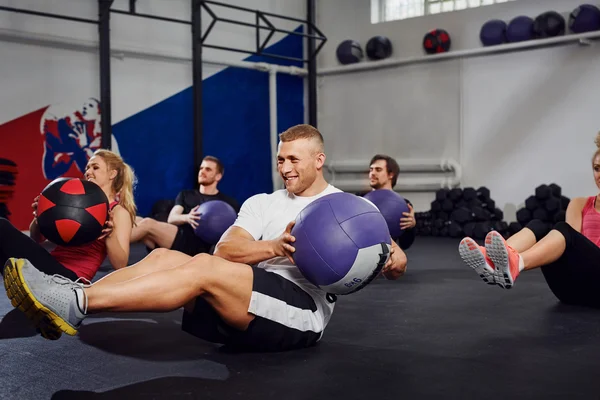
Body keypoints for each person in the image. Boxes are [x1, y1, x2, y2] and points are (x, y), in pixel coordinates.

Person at [3, 124, 408, 352]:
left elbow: (391, 260)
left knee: (201, 268)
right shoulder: (262, 202)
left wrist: (394, 261)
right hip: (242, 297)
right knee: (167, 259)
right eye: (280, 158)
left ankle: (75, 303)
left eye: (294, 159)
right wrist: (274, 246)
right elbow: (226, 249)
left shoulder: (351, 209)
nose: (285, 167)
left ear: (318, 160)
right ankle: (73, 291)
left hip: (299, 314)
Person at [459, 132, 600, 307]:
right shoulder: (579, 204)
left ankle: (515, 263)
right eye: (597, 168)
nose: (599, 174)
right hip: (569, 290)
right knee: (539, 226)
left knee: (563, 230)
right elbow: (571, 246)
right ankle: (494, 263)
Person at [130, 156, 239, 256]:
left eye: (208, 169)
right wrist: (187, 217)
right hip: (177, 237)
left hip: (196, 245)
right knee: (136, 220)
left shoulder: (226, 203)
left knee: (147, 223)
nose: (202, 172)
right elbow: (172, 218)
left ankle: (115, 246)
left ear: (218, 176)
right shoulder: (186, 194)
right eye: (201, 168)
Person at [368, 154, 417, 250]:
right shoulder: (360, 199)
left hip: (387, 256)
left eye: (378, 170)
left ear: (391, 174)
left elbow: (405, 245)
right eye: (371, 169)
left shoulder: (404, 204)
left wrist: (412, 226)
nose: (372, 173)